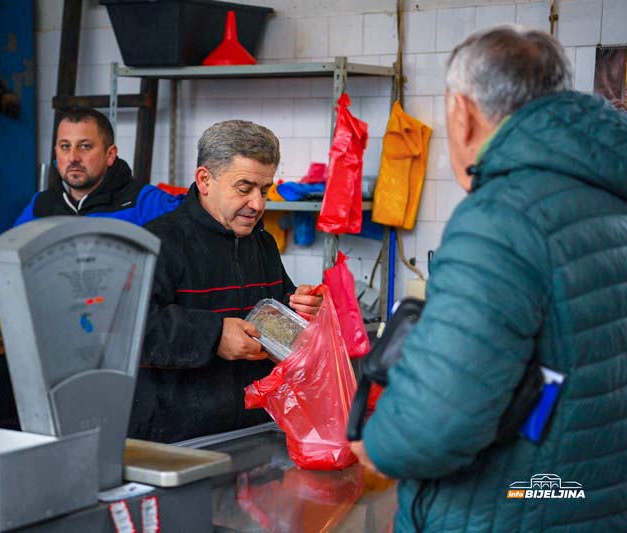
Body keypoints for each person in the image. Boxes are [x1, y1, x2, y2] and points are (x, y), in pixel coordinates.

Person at [352, 26, 627, 531]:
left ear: (464, 112)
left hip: (505, 512)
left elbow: (436, 421)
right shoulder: (608, 193)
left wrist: (382, 445)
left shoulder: (501, 218)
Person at [129, 120, 323, 443]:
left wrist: (299, 308)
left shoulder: (262, 243)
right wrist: (215, 335)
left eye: (264, 190)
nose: (258, 204)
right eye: (244, 188)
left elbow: (275, 312)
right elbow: (132, 329)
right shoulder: (158, 243)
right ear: (205, 180)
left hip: (253, 430)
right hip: (177, 442)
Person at [14, 108, 181, 226]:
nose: (73, 158)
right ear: (56, 151)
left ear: (110, 155)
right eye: (65, 146)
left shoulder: (144, 203)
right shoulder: (39, 206)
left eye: (85, 146)